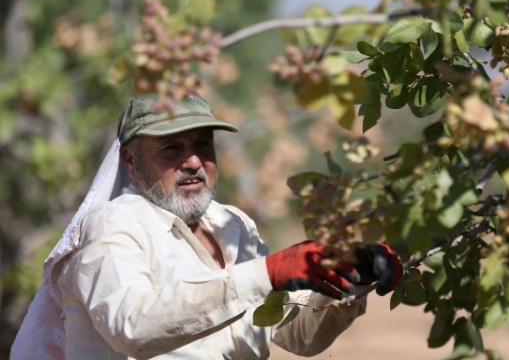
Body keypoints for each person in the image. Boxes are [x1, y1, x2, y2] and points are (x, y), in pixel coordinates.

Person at [10, 94, 402, 359]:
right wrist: (268, 272)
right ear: (130, 162)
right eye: (172, 148)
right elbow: (132, 324)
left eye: (203, 145)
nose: (194, 161)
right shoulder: (114, 224)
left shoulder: (234, 225)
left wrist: (353, 277)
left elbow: (296, 335)